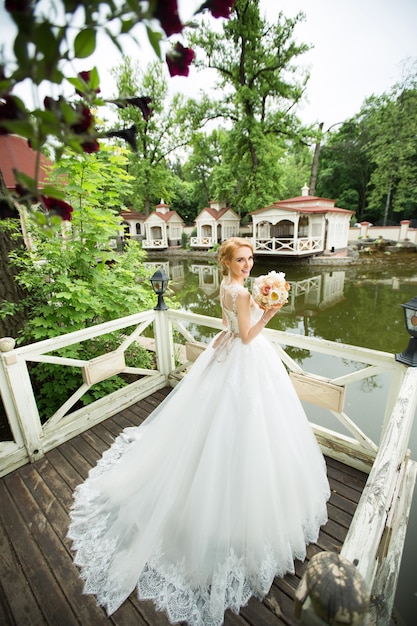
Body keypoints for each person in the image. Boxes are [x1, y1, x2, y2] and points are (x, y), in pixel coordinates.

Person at [68, 237, 330, 625]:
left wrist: (253, 310)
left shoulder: (227, 288)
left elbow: (229, 326)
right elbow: (246, 335)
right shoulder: (240, 292)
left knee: (217, 424)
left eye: (251, 258)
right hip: (244, 358)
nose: (248, 264)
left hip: (227, 357)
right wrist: (269, 314)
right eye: (241, 259)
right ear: (227, 262)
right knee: (243, 428)